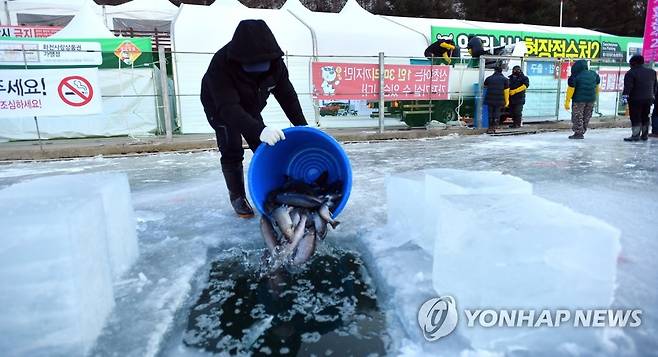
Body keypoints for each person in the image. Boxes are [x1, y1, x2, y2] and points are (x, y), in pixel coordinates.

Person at [201, 20, 307, 218]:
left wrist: (304, 126)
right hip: (220, 107)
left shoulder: (276, 65)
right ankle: (237, 196)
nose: (258, 69)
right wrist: (259, 130)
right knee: (231, 147)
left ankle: (275, 190)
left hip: (250, 106)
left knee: (263, 147)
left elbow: (288, 96)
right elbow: (229, 108)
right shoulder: (221, 65)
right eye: (251, 66)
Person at [621, 55, 657, 141]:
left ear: (633, 63)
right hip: (648, 98)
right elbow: (655, 86)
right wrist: (653, 96)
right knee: (645, 116)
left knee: (635, 117)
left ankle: (635, 135)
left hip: (635, 99)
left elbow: (628, 87)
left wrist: (624, 98)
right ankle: (645, 135)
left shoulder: (630, 73)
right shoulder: (652, 72)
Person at [564, 60, 600, 139]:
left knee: (577, 116)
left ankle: (578, 133)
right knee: (586, 116)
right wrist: (595, 96)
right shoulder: (594, 74)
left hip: (578, 100)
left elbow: (571, 90)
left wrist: (567, 102)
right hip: (591, 99)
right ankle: (582, 131)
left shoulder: (575, 76)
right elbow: (597, 87)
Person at [483, 64, 510, 134]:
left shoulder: (489, 78)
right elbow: (506, 91)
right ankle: (495, 126)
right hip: (499, 100)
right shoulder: (505, 80)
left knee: (490, 113)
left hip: (490, 99)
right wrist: (507, 101)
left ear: (494, 71)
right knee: (497, 113)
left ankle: (490, 127)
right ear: (501, 72)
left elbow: (485, 85)